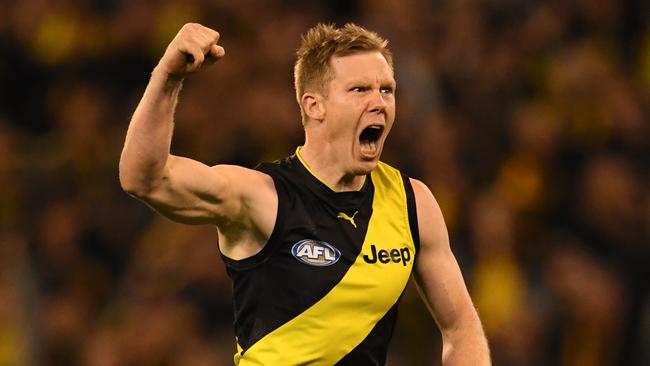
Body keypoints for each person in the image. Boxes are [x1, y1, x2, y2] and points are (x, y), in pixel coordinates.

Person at [119, 22, 490, 365]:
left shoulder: (413, 202)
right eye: (360, 89)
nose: (379, 102)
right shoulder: (263, 196)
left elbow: (460, 326)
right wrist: (167, 77)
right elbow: (145, 179)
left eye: (387, 89)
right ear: (315, 105)